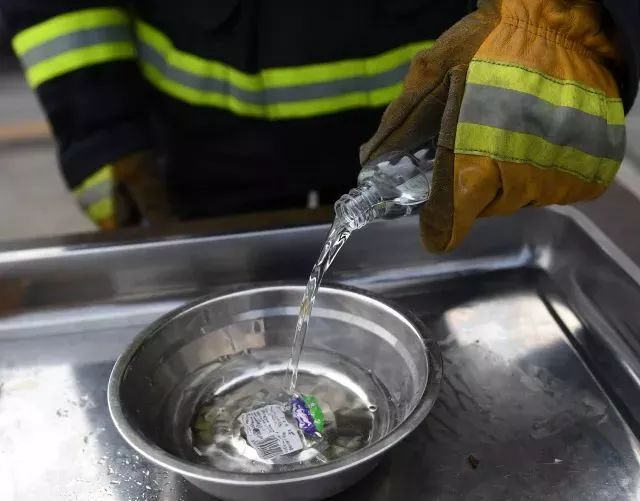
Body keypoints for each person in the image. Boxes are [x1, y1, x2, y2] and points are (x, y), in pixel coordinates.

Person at [0, 0, 638, 251]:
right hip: (195, 156)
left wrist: (571, 24)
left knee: (424, 341)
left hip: (417, 139)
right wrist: (102, 130)